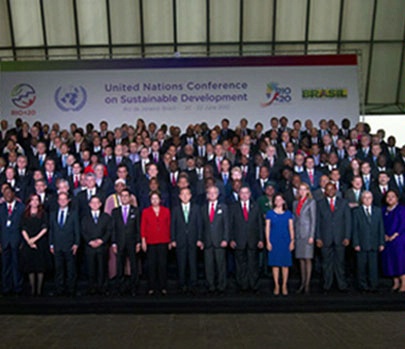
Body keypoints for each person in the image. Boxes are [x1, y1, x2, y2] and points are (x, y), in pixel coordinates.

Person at [316, 182, 351, 293]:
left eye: (332, 189)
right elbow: (317, 222)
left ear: (336, 190)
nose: (330, 191)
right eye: (328, 189)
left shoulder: (343, 203)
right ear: (325, 191)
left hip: (340, 238)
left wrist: (347, 236)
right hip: (325, 238)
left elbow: (348, 221)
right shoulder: (320, 203)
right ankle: (327, 285)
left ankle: (341, 285)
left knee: (340, 263)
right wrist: (318, 237)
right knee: (326, 264)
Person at [230, 185, 263, 293]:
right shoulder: (234, 207)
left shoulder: (256, 206)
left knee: (253, 263)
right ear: (239, 195)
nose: (244, 195)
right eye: (242, 193)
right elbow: (230, 224)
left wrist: (261, 239)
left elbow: (260, 224)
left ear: (250, 194)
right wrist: (231, 239)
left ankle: (253, 284)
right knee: (240, 265)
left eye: (246, 193)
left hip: (253, 240)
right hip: (239, 240)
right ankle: (242, 285)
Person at [171, 187, 203, 294]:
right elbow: (172, 226)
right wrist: (173, 239)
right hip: (180, 240)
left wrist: (199, 238)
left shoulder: (196, 208)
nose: (185, 196)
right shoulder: (175, 209)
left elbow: (199, 225)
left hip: (193, 240)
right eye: (182, 194)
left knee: (193, 263)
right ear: (179, 196)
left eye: (187, 194)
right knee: (181, 263)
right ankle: (182, 284)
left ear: (190, 196)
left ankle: (194, 284)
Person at [352, 191, 385, 292]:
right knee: (361, 267)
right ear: (362, 199)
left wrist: (381, 242)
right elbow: (355, 229)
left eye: (369, 197)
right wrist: (356, 243)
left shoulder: (377, 211)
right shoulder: (356, 211)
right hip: (361, 243)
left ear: (372, 199)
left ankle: (373, 285)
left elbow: (381, 228)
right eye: (365, 198)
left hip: (374, 243)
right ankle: (363, 286)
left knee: (373, 267)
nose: (367, 199)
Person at [49, 192, 80, 296]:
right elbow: (51, 230)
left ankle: (71, 290)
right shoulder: (53, 213)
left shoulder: (74, 213)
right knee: (58, 269)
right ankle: (59, 289)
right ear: (58, 201)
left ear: (68, 201)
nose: (62, 201)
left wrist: (76, 243)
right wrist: (51, 244)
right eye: (60, 199)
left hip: (70, 245)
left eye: (64, 199)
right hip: (57, 246)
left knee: (71, 269)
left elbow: (77, 229)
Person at [111, 189, 141, 296]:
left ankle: (134, 288)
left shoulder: (136, 211)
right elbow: (113, 228)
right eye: (122, 196)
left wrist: (138, 242)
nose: (124, 198)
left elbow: (138, 228)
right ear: (120, 198)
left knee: (133, 265)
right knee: (120, 266)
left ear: (129, 198)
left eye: (126, 196)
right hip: (119, 242)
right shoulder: (115, 211)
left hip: (132, 242)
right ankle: (120, 288)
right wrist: (113, 243)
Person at [141, 191, 171, 295]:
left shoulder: (166, 211)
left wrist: (170, 240)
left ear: (160, 200)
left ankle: (163, 286)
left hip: (163, 240)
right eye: (152, 198)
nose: (154, 200)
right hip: (150, 241)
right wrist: (143, 241)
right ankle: (151, 287)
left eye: (156, 198)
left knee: (162, 265)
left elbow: (169, 226)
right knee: (152, 265)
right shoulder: (146, 212)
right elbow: (143, 227)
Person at [201, 185, 229, 294]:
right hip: (207, 241)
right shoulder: (203, 208)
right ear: (207, 195)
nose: (212, 194)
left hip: (220, 240)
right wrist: (201, 239)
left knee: (221, 265)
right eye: (210, 193)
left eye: (214, 193)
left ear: (218, 194)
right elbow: (201, 225)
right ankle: (210, 285)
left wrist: (225, 239)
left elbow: (226, 225)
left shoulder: (223, 207)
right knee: (208, 266)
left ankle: (222, 285)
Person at [81, 195, 112, 295]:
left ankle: (102, 287)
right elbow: (83, 231)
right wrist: (89, 241)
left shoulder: (106, 217)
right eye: (92, 202)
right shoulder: (85, 218)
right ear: (89, 205)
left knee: (102, 268)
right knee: (91, 268)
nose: (94, 204)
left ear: (100, 204)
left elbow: (109, 231)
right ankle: (91, 288)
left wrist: (102, 240)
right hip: (89, 247)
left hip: (102, 246)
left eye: (97, 202)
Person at [20, 194, 50, 296]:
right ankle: (33, 289)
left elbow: (45, 228)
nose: (35, 202)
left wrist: (34, 239)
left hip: (40, 242)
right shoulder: (25, 214)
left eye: (37, 200)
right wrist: (29, 241)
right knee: (30, 267)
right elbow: (23, 228)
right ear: (29, 202)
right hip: (28, 243)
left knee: (40, 266)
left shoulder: (43, 214)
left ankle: (39, 290)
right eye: (33, 200)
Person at [265, 193, 295, 296]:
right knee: (275, 265)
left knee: (285, 264)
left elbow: (291, 228)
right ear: (273, 202)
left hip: (285, 240)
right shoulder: (270, 213)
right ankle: (276, 285)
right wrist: (268, 241)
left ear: (283, 201)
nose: (278, 202)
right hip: (274, 240)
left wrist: (292, 241)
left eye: (280, 199)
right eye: (276, 200)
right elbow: (267, 228)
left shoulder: (288, 213)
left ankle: (284, 285)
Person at [0, 186, 25, 296]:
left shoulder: (21, 207)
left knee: (17, 265)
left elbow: (24, 226)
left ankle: (17, 287)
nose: (8, 195)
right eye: (6, 193)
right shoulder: (0, 208)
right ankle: (6, 287)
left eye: (10, 193)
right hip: (4, 241)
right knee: (5, 266)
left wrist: (23, 242)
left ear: (13, 194)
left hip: (17, 241)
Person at [293, 182, 316, 294]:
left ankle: (307, 284)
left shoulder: (311, 202)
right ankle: (302, 282)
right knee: (301, 259)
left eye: (304, 189)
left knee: (307, 259)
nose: (301, 191)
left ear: (307, 191)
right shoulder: (295, 203)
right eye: (300, 189)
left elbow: (313, 220)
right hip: (298, 234)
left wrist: (312, 235)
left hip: (307, 234)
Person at [381, 190, 405, 292]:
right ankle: (395, 282)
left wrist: (395, 235)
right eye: (388, 196)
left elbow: (403, 224)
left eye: (393, 196)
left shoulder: (401, 209)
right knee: (390, 261)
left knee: (400, 261)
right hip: (387, 240)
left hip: (399, 239)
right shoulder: (383, 210)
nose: (390, 198)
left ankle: (404, 283)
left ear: (397, 198)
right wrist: (384, 235)